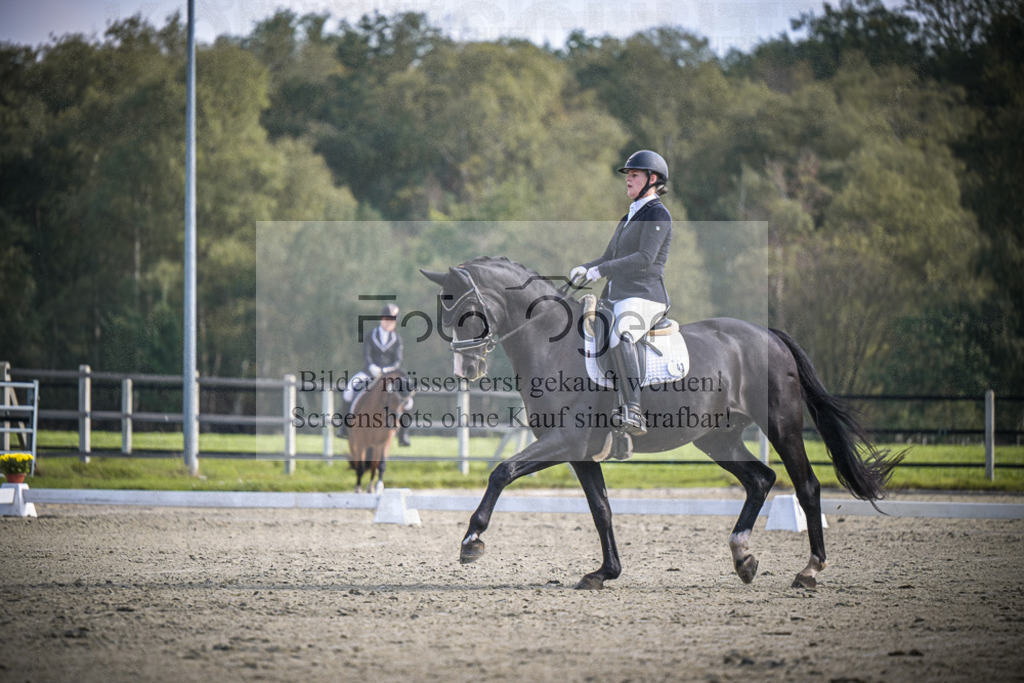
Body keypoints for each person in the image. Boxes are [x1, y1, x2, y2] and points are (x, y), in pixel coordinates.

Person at [570, 149, 673, 443]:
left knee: (622, 333)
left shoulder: (658, 215)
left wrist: (601, 270)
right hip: (618, 296)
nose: (628, 179)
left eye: (635, 175)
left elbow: (644, 258)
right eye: (628, 175)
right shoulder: (629, 216)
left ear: (652, 179)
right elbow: (609, 256)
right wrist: (586, 267)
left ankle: (634, 409)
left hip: (645, 296)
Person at [338, 302, 411, 446]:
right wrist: (372, 367)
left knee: (408, 401)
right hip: (369, 372)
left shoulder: (397, 339)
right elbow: (366, 355)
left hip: (389, 376)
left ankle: (403, 435)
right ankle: (344, 427)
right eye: (387, 319)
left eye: (392, 320)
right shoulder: (370, 335)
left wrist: (387, 370)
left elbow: (397, 361)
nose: (389, 323)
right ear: (381, 319)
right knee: (348, 391)